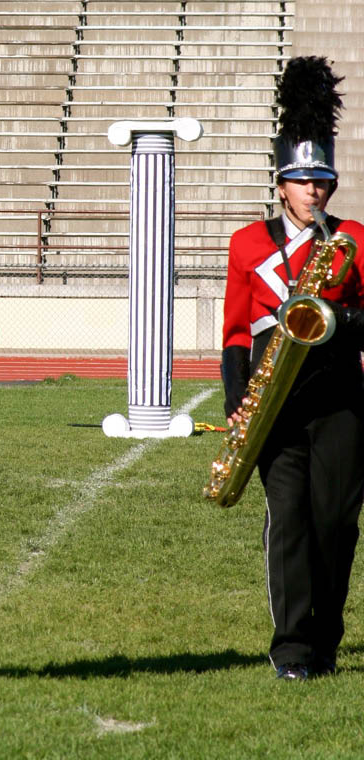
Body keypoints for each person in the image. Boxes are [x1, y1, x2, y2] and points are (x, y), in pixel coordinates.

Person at [221, 56, 364, 681]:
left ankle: (326, 636)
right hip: (274, 403)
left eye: (323, 180)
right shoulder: (248, 243)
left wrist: (342, 322)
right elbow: (232, 333)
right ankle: (291, 650)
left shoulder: (352, 238)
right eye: (303, 180)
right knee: (289, 525)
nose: (315, 191)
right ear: (281, 182)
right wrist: (236, 403)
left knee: (334, 523)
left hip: (339, 401)